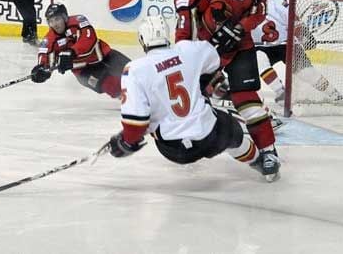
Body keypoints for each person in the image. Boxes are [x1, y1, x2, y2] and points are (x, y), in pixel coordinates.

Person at [107, 16, 267, 180]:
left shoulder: (134, 70)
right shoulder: (188, 50)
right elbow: (216, 59)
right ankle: (260, 162)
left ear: (142, 40)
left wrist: (126, 141)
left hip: (173, 150)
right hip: (208, 135)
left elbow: (136, 124)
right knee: (233, 132)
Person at [173, 0, 280, 179]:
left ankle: (268, 151)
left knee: (248, 103)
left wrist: (241, 28)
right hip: (208, 54)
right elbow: (182, 33)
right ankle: (198, 144)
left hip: (241, 50)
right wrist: (188, 58)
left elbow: (258, 9)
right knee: (194, 101)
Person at [249, 0, 343, 105]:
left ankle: (334, 95)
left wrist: (304, 36)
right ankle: (281, 93)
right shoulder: (244, 4)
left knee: (307, 73)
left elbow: (293, 20)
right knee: (259, 60)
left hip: (285, 44)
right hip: (261, 47)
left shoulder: (275, 1)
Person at [31, 3, 131, 99]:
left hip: (105, 55)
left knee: (133, 71)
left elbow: (89, 38)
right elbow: (44, 58)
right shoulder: (49, 40)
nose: (54, 24)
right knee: (113, 86)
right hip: (85, 71)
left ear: (65, 17)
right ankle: (131, 102)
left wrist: (72, 51)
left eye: (57, 19)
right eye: (51, 21)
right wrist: (41, 71)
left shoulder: (78, 21)